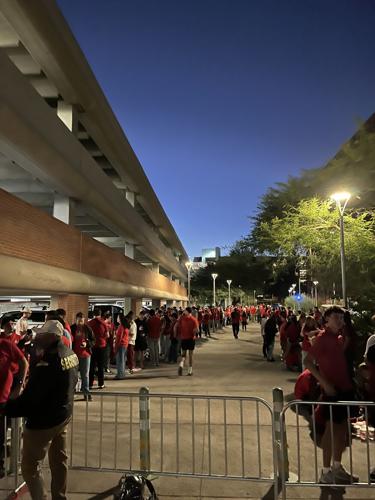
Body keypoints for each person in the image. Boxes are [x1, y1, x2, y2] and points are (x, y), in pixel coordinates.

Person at [5, 320, 78, 500]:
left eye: (42, 334)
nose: (38, 336)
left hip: (44, 423)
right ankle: (59, 497)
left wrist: (7, 408)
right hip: (63, 416)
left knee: (30, 467)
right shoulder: (70, 354)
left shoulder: (47, 364)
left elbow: (31, 400)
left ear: (52, 337)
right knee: (59, 461)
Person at [304, 306, 358, 485]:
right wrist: (325, 383)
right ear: (326, 319)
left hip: (344, 389)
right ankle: (326, 471)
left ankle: (337, 467)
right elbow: (308, 362)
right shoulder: (322, 339)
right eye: (336, 317)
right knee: (330, 431)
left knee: (342, 429)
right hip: (332, 391)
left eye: (342, 317)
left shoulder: (338, 338)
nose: (340, 320)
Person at [0, 318, 28, 478]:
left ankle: (2, 464)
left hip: (4, 398)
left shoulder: (6, 344)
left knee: (2, 432)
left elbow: (24, 362)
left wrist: (19, 385)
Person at [71, 312, 95, 401]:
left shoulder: (87, 328)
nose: (80, 322)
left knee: (85, 375)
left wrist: (87, 344)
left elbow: (93, 340)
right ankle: (72, 393)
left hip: (85, 355)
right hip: (74, 355)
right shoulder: (72, 328)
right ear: (76, 320)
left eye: (82, 320)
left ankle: (86, 393)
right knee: (74, 375)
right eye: (79, 320)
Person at [88, 309, 109, 389]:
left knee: (92, 366)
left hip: (93, 347)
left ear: (93, 314)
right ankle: (101, 383)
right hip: (101, 346)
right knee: (100, 366)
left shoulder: (89, 323)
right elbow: (107, 335)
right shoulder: (104, 323)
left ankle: (90, 383)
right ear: (100, 314)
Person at [177, 307, 199, 376]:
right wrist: (195, 332)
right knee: (190, 355)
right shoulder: (194, 319)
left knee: (184, 354)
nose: (184, 312)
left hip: (184, 338)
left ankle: (181, 364)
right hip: (190, 339)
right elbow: (197, 330)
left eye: (185, 311)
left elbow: (178, 324)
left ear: (188, 312)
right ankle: (190, 371)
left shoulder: (182, 318)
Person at [114, 314, 129, 379]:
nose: (116, 318)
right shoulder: (125, 326)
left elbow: (119, 338)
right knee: (123, 360)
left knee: (120, 360)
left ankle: (119, 375)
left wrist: (116, 347)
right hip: (125, 344)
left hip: (121, 345)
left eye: (117, 317)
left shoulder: (121, 327)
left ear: (120, 318)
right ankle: (122, 374)